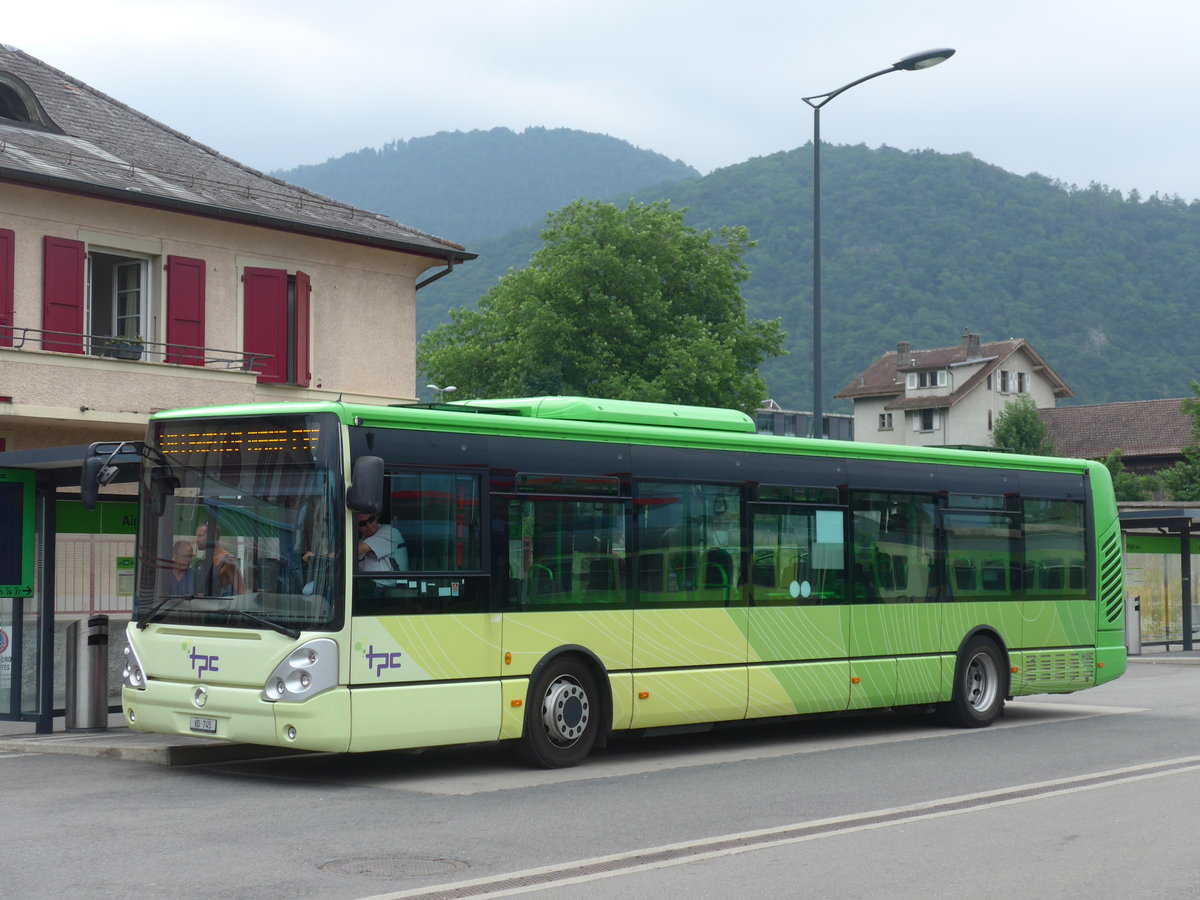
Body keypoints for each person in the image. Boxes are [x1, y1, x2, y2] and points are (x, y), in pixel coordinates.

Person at [195, 521, 246, 595]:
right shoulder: (205, 557)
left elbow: (241, 593)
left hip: (220, 605)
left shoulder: (228, 561)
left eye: (200, 536)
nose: (197, 540)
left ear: (213, 536)